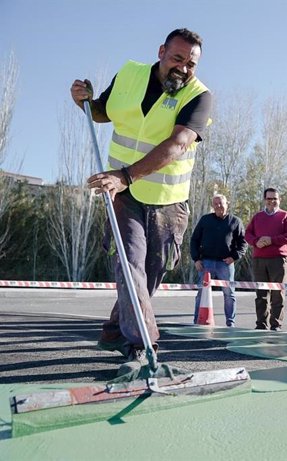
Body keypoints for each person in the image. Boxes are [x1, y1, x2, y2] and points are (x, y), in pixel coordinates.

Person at [71, 29, 212, 362]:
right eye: (177, 58)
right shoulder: (131, 74)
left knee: (151, 272)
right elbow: (102, 112)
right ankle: (141, 347)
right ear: (161, 51)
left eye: (191, 63)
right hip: (124, 195)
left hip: (168, 199)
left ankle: (115, 328)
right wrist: (83, 101)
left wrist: (126, 175)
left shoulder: (199, 95)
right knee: (130, 261)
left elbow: (178, 144)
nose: (184, 68)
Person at [190, 194, 247, 327]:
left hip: (225, 264)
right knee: (201, 293)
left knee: (229, 294)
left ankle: (230, 323)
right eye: (215, 204)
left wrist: (234, 257)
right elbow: (194, 240)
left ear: (227, 204)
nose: (218, 206)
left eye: (221, 203)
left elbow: (243, 243)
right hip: (206, 263)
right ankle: (197, 321)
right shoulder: (205, 220)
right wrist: (196, 259)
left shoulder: (235, 221)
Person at [245, 188, 287, 331]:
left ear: (279, 200)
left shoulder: (285, 216)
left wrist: (272, 240)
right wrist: (256, 241)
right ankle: (261, 324)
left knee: (278, 294)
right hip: (260, 260)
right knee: (261, 294)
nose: (272, 201)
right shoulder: (257, 217)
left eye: (274, 199)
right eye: (269, 199)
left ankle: (276, 325)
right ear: (264, 200)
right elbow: (248, 234)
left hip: (279, 260)